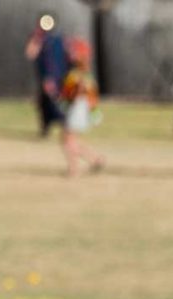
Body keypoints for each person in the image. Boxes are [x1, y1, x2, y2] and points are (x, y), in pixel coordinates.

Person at [59, 38, 104, 176]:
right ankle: (94, 160)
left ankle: (75, 168)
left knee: (68, 139)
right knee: (70, 139)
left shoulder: (79, 75)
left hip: (78, 108)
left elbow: (78, 93)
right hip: (78, 108)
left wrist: (93, 111)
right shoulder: (79, 73)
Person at [25, 13, 67, 137]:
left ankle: (65, 128)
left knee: (57, 103)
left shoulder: (57, 39)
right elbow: (30, 54)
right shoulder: (38, 39)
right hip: (44, 78)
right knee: (44, 104)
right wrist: (36, 38)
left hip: (56, 77)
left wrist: (52, 78)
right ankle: (46, 128)